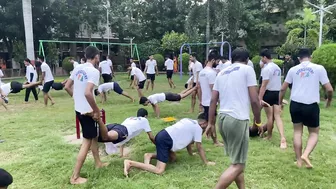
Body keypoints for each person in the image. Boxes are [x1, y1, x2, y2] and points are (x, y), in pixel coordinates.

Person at [206, 48, 262, 189]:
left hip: (223, 118)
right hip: (237, 119)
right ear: (247, 59)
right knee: (238, 165)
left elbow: (213, 100)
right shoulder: (247, 69)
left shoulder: (222, 72)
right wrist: (258, 121)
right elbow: (255, 100)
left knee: (235, 160)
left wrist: (210, 122)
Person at [279, 48, 333, 168]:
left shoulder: (293, 69)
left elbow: (283, 88)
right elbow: (329, 89)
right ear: (311, 57)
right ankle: (306, 154)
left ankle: (298, 160)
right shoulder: (319, 68)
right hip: (311, 105)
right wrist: (329, 99)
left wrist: (280, 102)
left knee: (297, 132)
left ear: (298, 58)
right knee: (314, 133)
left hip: (296, 104)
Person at [64, 46, 108, 185]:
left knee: (93, 135)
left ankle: (98, 162)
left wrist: (77, 100)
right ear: (96, 57)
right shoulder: (94, 71)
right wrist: (95, 110)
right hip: (87, 111)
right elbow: (88, 92)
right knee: (87, 141)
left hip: (79, 109)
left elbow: (67, 87)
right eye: (98, 56)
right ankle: (75, 177)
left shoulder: (78, 68)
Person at [123, 113, 215, 177]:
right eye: (209, 125)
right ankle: (130, 163)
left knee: (173, 158)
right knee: (160, 170)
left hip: (163, 135)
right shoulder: (198, 128)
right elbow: (199, 147)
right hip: (166, 140)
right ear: (204, 123)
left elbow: (189, 143)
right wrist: (206, 162)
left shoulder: (189, 120)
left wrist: (191, 154)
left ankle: (149, 155)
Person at [259, 49, 287, 149]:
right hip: (277, 92)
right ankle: (282, 137)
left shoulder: (266, 69)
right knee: (277, 116)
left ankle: (269, 135)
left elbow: (263, 85)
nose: (261, 60)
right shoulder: (277, 68)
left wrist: (260, 97)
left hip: (268, 93)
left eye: (261, 58)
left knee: (270, 116)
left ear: (264, 57)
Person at [198, 53, 223, 147]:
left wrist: (200, 101)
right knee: (211, 122)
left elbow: (199, 87)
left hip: (205, 101)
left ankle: (194, 139)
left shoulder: (202, 72)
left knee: (207, 122)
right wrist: (219, 100)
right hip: (211, 101)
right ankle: (215, 141)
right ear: (213, 60)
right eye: (217, 61)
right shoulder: (211, 73)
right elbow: (214, 89)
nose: (217, 63)